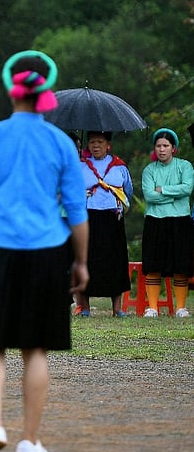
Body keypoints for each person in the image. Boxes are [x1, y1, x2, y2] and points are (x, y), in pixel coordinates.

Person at [0, 50, 89, 452]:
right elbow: (77, 212)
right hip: (48, 250)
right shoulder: (61, 143)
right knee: (35, 348)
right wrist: (80, 260)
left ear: (12, 92)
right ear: (45, 93)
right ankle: (30, 440)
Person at [74, 131, 132, 317]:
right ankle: (85, 308)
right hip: (88, 217)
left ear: (108, 144)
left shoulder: (119, 166)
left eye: (99, 142)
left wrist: (119, 208)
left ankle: (117, 308)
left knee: (115, 260)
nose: (95, 145)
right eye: (92, 142)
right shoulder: (81, 166)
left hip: (112, 217)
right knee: (88, 258)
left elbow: (128, 191)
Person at [141, 127, 192, 318]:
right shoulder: (149, 170)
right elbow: (149, 195)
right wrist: (173, 195)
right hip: (155, 220)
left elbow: (187, 188)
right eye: (158, 146)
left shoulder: (185, 166)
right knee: (153, 264)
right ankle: (153, 307)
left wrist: (163, 190)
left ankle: (181, 307)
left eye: (165, 146)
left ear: (173, 148)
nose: (161, 150)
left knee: (181, 264)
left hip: (180, 220)